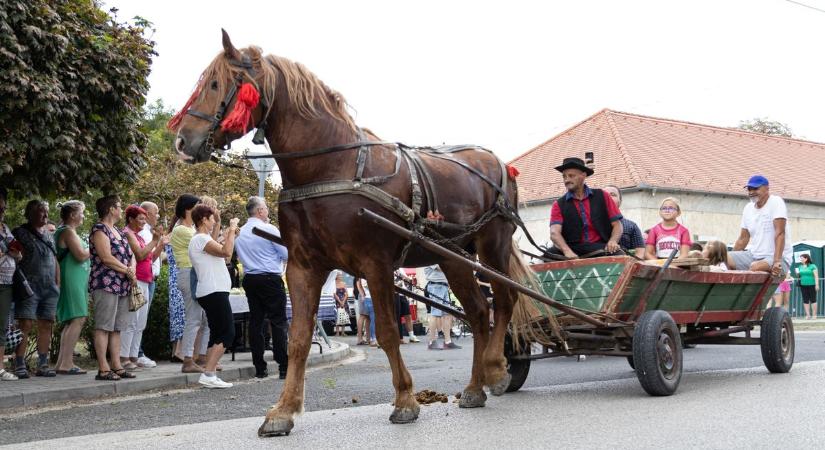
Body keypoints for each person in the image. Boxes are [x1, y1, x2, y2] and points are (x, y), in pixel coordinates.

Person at [234, 196, 289, 379]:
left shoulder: (240, 231)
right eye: (265, 208)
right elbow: (286, 253)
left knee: (256, 323)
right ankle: (283, 366)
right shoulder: (268, 229)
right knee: (278, 322)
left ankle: (260, 367)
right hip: (270, 279)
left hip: (250, 278)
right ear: (259, 211)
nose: (267, 211)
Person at [189, 205, 238, 388]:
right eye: (211, 219)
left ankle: (211, 373)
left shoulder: (202, 239)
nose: (214, 222)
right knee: (227, 333)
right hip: (213, 291)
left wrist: (228, 236)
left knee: (216, 333)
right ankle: (208, 373)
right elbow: (227, 253)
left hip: (213, 291)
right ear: (203, 219)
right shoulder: (200, 239)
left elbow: (224, 254)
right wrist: (232, 230)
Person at [88, 195, 137, 381]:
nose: (121, 209)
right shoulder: (99, 229)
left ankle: (116, 365)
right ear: (110, 209)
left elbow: (130, 254)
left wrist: (131, 269)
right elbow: (106, 257)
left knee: (117, 327)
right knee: (103, 326)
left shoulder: (117, 230)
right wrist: (128, 270)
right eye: (119, 206)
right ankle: (103, 368)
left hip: (122, 283)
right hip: (105, 283)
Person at [12, 200, 60, 378]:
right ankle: (19, 363)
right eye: (41, 212)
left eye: (46, 212)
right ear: (30, 213)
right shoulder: (19, 233)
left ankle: (43, 364)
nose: (46, 215)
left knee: (47, 323)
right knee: (25, 324)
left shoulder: (49, 234)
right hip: (29, 285)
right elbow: (15, 257)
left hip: (49, 287)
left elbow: (55, 260)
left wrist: (57, 284)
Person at [548, 157, 623, 258]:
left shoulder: (603, 195)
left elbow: (617, 225)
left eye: (571, 176)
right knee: (549, 254)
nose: (567, 180)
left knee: (619, 254)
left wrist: (613, 241)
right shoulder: (558, 204)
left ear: (583, 175)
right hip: (571, 248)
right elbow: (554, 233)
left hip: (600, 247)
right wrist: (567, 251)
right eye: (564, 176)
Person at [170, 194, 209, 373]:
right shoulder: (181, 230)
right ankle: (187, 359)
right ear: (188, 209)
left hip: (196, 274)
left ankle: (201, 357)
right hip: (188, 273)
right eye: (197, 206)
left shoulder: (191, 229)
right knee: (193, 318)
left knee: (204, 320)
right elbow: (207, 245)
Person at [120, 205, 162, 371]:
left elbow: (149, 258)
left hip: (146, 279)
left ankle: (133, 355)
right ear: (130, 219)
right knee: (131, 320)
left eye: (145, 219)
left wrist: (157, 243)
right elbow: (140, 255)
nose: (144, 222)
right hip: (135, 281)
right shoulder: (128, 234)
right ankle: (124, 357)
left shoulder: (138, 236)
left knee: (140, 322)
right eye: (141, 219)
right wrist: (154, 240)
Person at [728, 175, 792, 276]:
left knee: (755, 267)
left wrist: (777, 261)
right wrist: (731, 260)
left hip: (778, 258)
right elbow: (743, 239)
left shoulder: (776, 202)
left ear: (767, 188)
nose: (751, 192)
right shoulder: (748, 208)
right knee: (723, 257)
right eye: (749, 189)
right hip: (753, 256)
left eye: (755, 188)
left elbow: (780, 233)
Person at [53, 201, 91, 375]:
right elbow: (81, 255)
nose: (83, 215)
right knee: (77, 318)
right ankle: (67, 363)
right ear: (73, 215)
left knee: (74, 319)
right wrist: (96, 246)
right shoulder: (67, 231)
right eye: (81, 212)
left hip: (75, 278)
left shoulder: (69, 231)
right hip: (70, 278)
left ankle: (63, 362)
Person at [136, 201, 167, 368]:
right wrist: (160, 243)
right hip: (144, 279)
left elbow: (154, 258)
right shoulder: (143, 233)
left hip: (151, 279)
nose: (158, 216)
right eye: (156, 213)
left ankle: (137, 352)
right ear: (146, 214)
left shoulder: (149, 232)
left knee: (142, 319)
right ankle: (137, 353)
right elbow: (147, 257)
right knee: (138, 318)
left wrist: (161, 244)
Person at [0, 188, 22, 380]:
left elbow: (18, 254)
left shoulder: (5, 228)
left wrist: (12, 252)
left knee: (2, 326)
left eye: (3, 208)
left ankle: (0, 368)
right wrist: (8, 251)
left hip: (6, 282)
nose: (2, 211)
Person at [424, 265, 461, 350]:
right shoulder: (431, 255)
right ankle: (431, 342)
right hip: (435, 285)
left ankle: (448, 342)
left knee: (447, 314)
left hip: (443, 285)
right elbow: (441, 268)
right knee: (435, 314)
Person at [603, 185, 645, 257]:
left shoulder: (631, 226)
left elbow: (640, 252)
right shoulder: (590, 224)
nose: (608, 197)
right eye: (605, 195)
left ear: (620, 201)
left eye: (613, 194)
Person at [394, 269, 420, 343]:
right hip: (394, 293)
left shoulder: (399, 268)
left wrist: (409, 279)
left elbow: (406, 277)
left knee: (408, 315)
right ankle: (399, 338)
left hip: (402, 293)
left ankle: (411, 336)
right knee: (397, 316)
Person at [796, 254, 818, 319]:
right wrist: (797, 274)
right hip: (803, 285)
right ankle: (808, 315)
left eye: (802, 258)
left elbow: (816, 276)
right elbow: (799, 276)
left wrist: (817, 285)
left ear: (806, 259)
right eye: (800, 258)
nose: (801, 260)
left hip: (812, 284)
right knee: (805, 300)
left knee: (813, 300)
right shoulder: (800, 266)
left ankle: (814, 315)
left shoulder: (813, 266)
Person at [356, 278, 377, 347]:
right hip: (368, 296)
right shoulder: (362, 273)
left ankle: (370, 338)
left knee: (370, 318)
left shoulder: (361, 275)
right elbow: (358, 283)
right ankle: (370, 338)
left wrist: (362, 295)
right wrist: (362, 295)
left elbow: (359, 284)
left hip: (366, 296)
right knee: (365, 317)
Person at [333, 272, 348, 337]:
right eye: (339, 275)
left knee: (343, 316)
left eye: (341, 275)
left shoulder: (344, 283)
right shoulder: (333, 284)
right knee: (337, 316)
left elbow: (346, 293)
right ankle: (337, 332)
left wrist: (343, 301)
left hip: (344, 301)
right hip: (337, 302)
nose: (341, 277)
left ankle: (343, 332)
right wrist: (339, 301)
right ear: (336, 276)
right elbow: (334, 294)